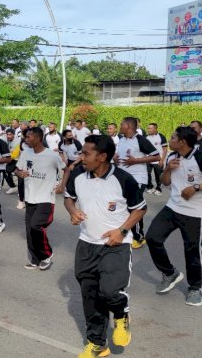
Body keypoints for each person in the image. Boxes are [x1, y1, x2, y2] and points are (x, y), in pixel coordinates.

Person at [64, 135, 146, 358]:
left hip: (115, 245)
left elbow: (140, 209)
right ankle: (97, 344)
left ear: (102, 157)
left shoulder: (123, 179)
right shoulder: (78, 175)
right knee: (90, 297)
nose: (81, 157)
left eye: (86, 154)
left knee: (110, 291)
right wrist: (73, 212)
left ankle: (121, 314)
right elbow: (68, 198)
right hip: (86, 244)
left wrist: (122, 231)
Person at [146, 126, 202, 307]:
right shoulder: (172, 157)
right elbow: (165, 182)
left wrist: (196, 188)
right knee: (152, 238)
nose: (170, 139)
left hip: (194, 213)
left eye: (173, 137)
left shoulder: (201, 158)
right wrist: (167, 169)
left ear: (182, 141)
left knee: (191, 251)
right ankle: (170, 274)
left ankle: (195, 288)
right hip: (172, 207)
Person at [15, 127, 68, 270]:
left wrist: (62, 185)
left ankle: (46, 255)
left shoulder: (51, 155)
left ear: (38, 138)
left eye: (29, 137)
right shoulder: (26, 153)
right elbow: (17, 168)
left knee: (36, 226)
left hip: (46, 198)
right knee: (29, 230)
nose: (26, 139)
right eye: (25, 137)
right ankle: (35, 259)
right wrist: (19, 173)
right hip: (30, 197)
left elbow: (66, 169)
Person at [114, 117, 159, 249]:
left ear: (128, 126)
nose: (120, 126)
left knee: (135, 207)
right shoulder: (121, 140)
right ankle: (126, 231)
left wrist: (136, 161)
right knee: (124, 206)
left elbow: (157, 156)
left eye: (121, 124)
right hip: (123, 178)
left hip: (138, 179)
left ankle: (139, 237)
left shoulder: (140, 140)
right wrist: (115, 158)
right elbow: (120, 157)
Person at [145, 123, 168, 196]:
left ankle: (158, 188)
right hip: (148, 160)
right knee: (147, 174)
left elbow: (165, 149)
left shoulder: (161, 136)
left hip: (158, 160)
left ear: (155, 129)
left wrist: (162, 160)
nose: (148, 130)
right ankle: (150, 187)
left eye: (150, 128)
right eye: (148, 128)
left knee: (158, 176)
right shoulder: (146, 137)